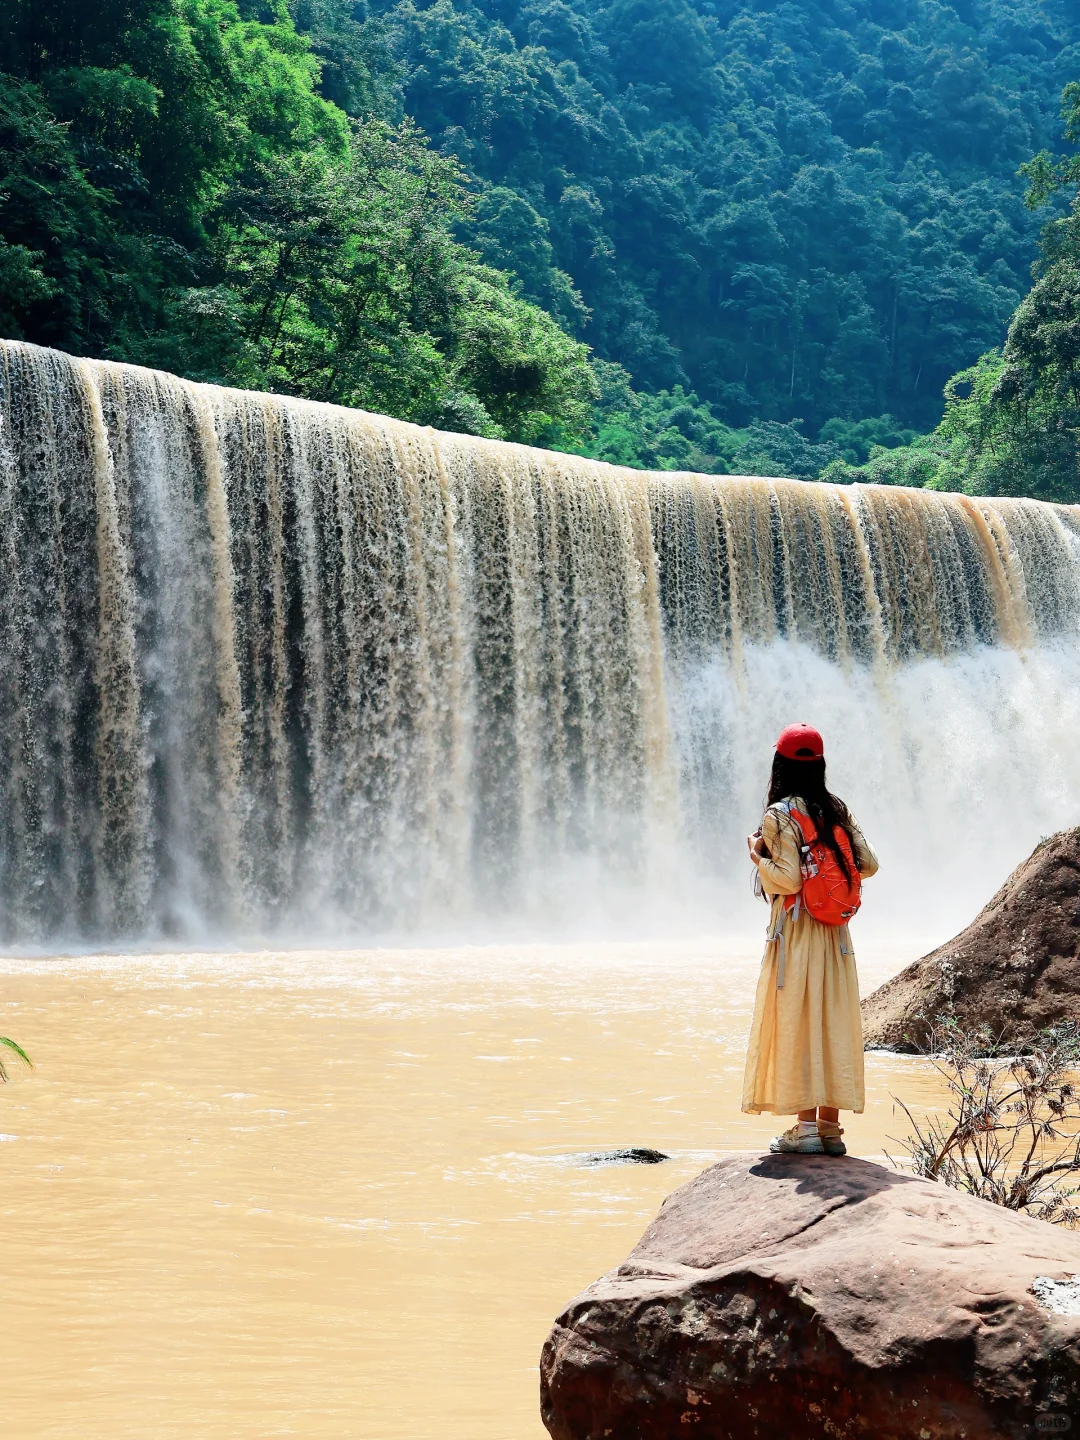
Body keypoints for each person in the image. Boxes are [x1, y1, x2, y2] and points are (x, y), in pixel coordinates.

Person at [741, 722, 878, 1156]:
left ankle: (803, 1132)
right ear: (819, 765)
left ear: (779, 765)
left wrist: (756, 854)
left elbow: (785, 880)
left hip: (798, 934)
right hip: (836, 936)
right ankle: (831, 1131)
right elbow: (869, 864)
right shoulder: (836, 809)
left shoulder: (780, 816)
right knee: (832, 1018)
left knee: (801, 1019)